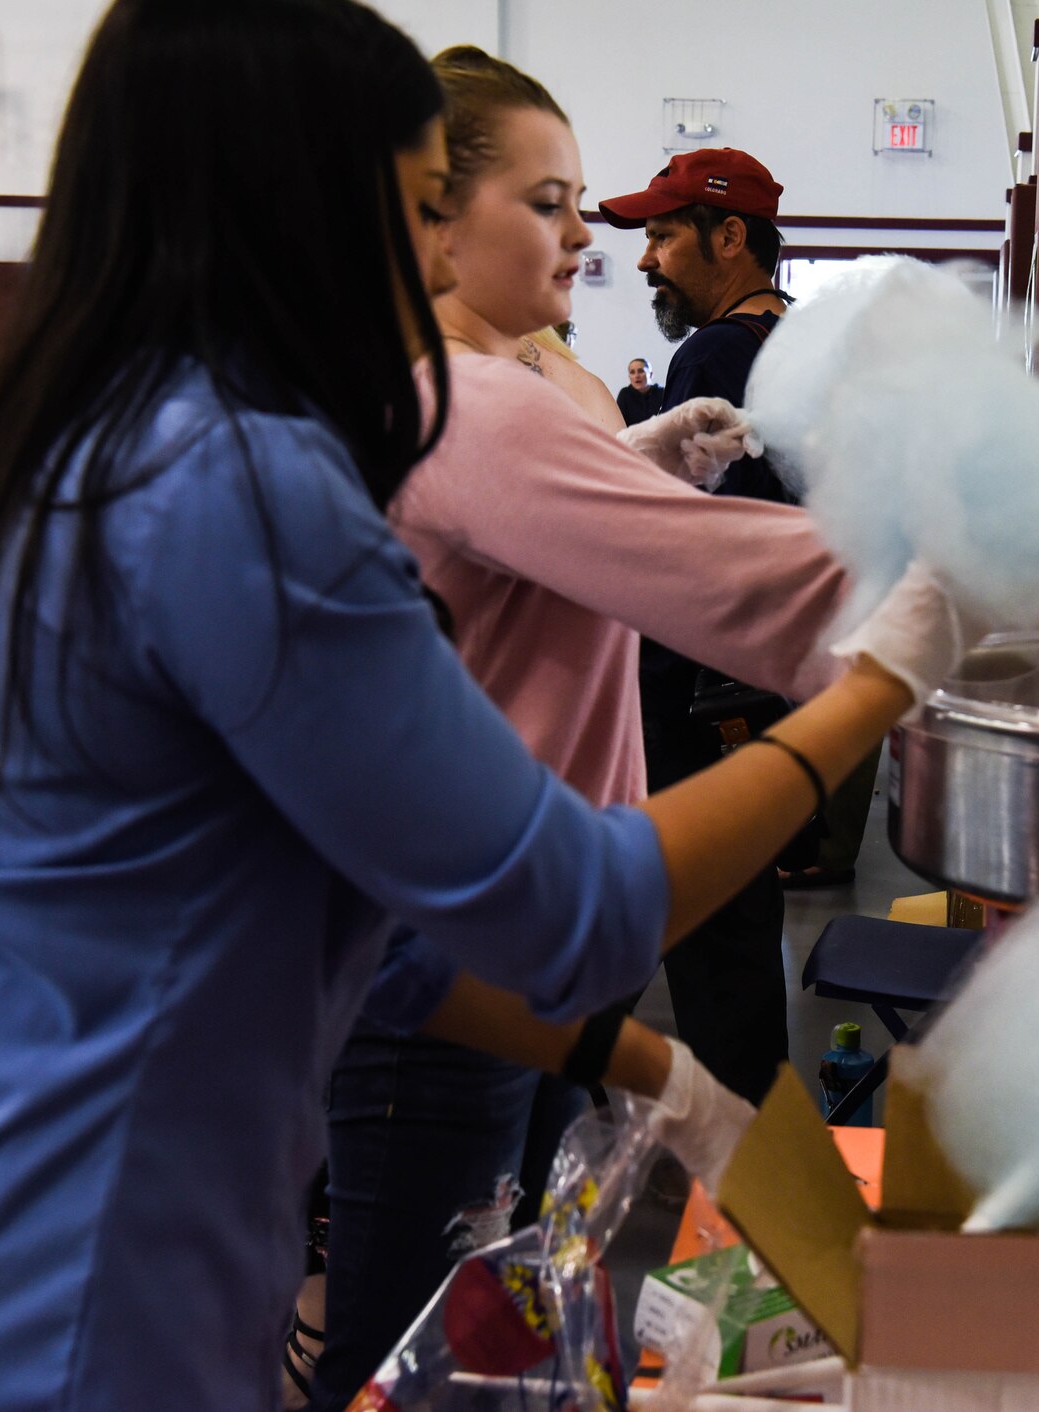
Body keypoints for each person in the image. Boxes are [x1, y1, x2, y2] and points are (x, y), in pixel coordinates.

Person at [0, 6, 970, 1410]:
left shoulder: (130, 442)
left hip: (1, 1243)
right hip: (73, 1298)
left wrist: (634, 1058)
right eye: (412, 213)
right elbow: (573, 902)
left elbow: (366, 926)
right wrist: (884, 677)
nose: (432, 258)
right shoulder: (241, 488)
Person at [296, 51, 856, 1409]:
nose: (583, 239)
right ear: (433, 214)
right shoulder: (463, 396)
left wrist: (638, 466)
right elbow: (736, 587)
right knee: (403, 1344)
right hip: (458, 954)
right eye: (543, 203)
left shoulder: (501, 381)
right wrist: (963, 596)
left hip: (521, 936)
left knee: (491, 1306)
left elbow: (536, 546)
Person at [600, 147, 802, 1105]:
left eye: (664, 235)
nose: (646, 259)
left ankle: (745, 1166)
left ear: (732, 237)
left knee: (698, 910)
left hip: (698, 679)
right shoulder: (800, 344)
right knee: (724, 906)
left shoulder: (716, 355)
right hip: (769, 681)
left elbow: (681, 537)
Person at [617, 356, 664, 425]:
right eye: (632, 372)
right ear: (629, 377)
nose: (636, 376)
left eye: (641, 371)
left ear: (651, 375)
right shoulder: (624, 394)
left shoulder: (662, 393)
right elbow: (619, 422)